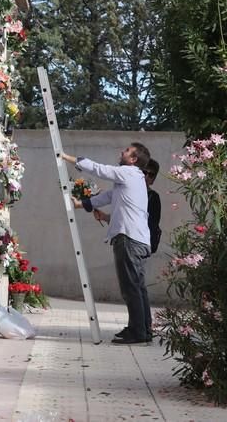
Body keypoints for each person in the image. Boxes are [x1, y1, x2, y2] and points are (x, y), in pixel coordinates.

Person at [61, 143, 152, 344]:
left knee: (131, 288)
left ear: (133, 159)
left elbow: (100, 170)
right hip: (137, 240)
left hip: (129, 240)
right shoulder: (133, 180)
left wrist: (69, 158)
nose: (122, 152)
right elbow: (108, 197)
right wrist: (83, 204)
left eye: (127, 151)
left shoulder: (128, 172)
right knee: (138, 287)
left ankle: (137, 332)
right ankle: (143, 330)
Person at [144, 159, 162, 255]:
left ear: (153, 179)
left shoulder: (153, 197)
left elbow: (153, 223)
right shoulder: (129, 192)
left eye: (151, 175)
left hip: (141, 245)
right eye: (144, 172)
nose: (146, 176)